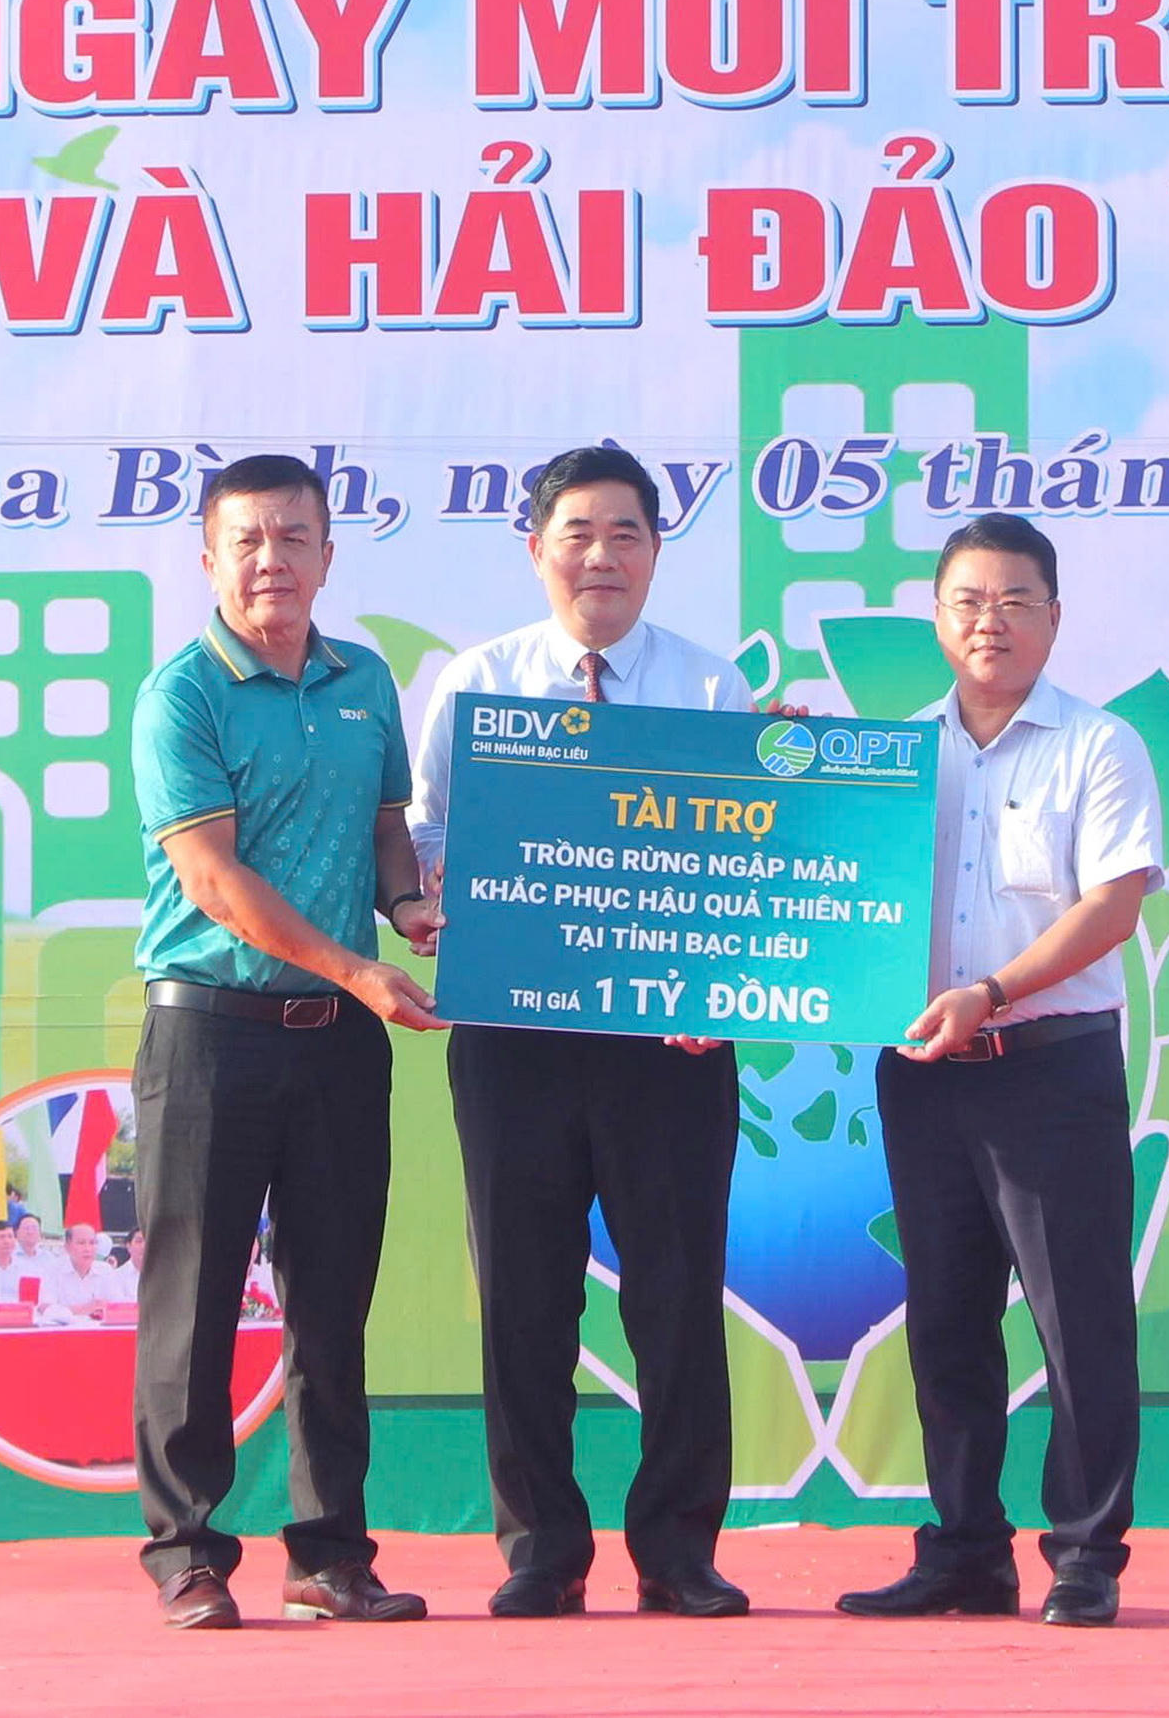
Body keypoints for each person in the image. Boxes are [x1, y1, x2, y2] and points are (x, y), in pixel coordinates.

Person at [408, 445, 759, 1622]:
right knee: (523, 1296)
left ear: (657, 551)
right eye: (578, 532)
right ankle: (541, 1550)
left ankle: (679, 1550)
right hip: (515, 1035)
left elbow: (751, 865)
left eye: (625, 533)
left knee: (677, 1297)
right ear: (536, 549)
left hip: (671, 1044)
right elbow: (428, 836)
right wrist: (442, 901)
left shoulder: (710, 691)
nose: (601, 554)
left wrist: (722, 984)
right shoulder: (479, 684)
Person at [127, 452, 442, 1630]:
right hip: (211, 1034)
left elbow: (386, 827)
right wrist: (359, 967)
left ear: (327, 554)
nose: (272, 560)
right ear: (210, 558)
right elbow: (212, 881)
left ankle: (330, 1554)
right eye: (248, 540)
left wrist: (406, 906)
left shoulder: (364, 681)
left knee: (332, 1304)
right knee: (193, 1303)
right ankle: (187, 1554)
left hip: (340, 1046)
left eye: (293, 537)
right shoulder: (183, 695)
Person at [836, 513, 1163, 1631]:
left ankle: (1086, 1554)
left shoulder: (1099, 746)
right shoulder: (891, 757)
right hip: (924, 1070)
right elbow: (820, 880)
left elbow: (1110, 907)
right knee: (945, 1319)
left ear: (1054, 619)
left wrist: (995, 991)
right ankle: (967, 1550)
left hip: (1050, 1067)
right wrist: (788, 775)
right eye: (970, 601)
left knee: (1078, 1320)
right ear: (937, 620)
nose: (992, 622)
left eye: (1017, 601)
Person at [43, 1223, 131, 1322]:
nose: (87, 1249)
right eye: (81, 1243)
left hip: (99, 1329)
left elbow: (119, 1305)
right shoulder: (53, 1269)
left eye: (92, 1243)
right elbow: (45, 1308)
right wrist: (86, 1308)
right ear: (67, 1247)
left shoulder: (105, 1270)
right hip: (65, 1330)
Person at [10, 1213, 55, 1303]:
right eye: (26, 1228)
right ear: (16, 1232)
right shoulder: (9, 1256)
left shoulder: (49, 1258)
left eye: (34, 1228)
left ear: (40, 1233)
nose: (30, 1232)